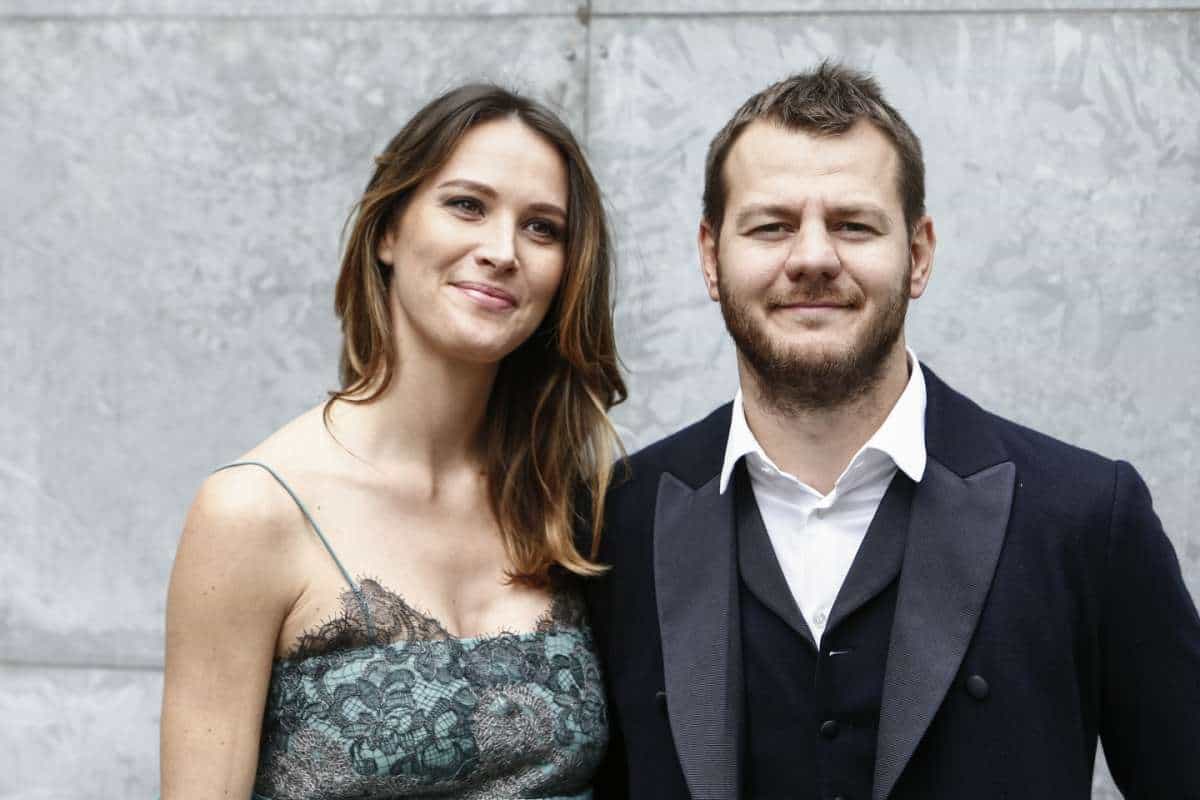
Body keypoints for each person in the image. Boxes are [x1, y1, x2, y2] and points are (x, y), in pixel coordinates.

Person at [585, 62, 1200, 799]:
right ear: (711, 257)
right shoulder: (615, 520)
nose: (813, 258)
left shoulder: (1087, 517)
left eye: (853, 225)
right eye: (772, 226)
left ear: (919, 253)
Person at [160, 84, 625, 800]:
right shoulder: (251, 511)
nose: (502, 251)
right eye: (466, 205)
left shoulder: (571, 501)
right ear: (388, 232)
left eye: (542, 228)